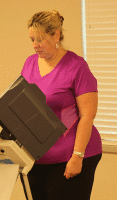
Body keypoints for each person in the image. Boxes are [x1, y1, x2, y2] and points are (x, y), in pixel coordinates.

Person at [21, 10, 102, 200]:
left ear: (56, 34)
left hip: (71, 155)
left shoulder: (76, 66)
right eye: (32, 39)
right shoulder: (30, 63)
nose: (35, 45)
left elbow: (87, 115)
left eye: (40, 39)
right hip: (38, 157)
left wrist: (77, 156)